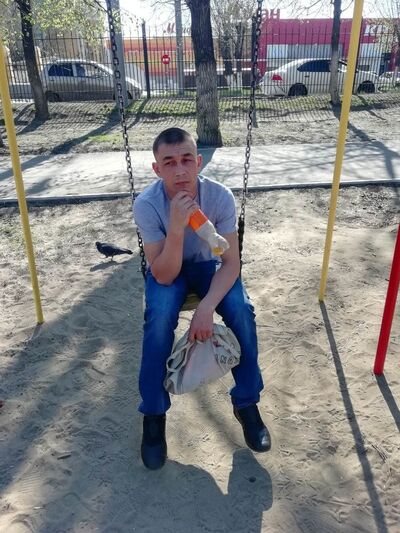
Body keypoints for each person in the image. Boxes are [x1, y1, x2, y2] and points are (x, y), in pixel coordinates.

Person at [133, 127, 271, 470]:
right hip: (169, 267)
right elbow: (163, 274)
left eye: (186, 160)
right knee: (158, 318)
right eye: (169, 162)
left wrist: (205, 308)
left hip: (210, 267)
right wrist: (176, 226)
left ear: (198, 162)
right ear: (157, 169)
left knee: (241, 309)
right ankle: (154, 414)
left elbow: (232, 263)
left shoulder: (219, 197)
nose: (179, 170)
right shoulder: (148, 205)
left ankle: (246, 402)